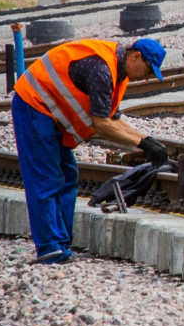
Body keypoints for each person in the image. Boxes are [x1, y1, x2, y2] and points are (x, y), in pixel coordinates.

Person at [12, 38, 170, 264]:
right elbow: (101, 124)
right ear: (136, 57)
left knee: (67, 176)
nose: (147, 77)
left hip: (50, 112)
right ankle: (49, 247)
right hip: (33, 104)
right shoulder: (101, 68)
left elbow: (113, 117)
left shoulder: (118, 73)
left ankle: (62, 244)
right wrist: (142, 144)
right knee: (46, 178)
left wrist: (147, 140)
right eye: (148, 70)